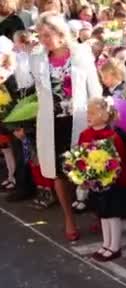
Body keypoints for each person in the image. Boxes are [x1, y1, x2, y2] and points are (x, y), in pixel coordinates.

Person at [31, 12, 102, 241]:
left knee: (88, 168)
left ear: (61, 34)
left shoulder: (81, 54)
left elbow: (95, 87)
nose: (44, 40)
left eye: (48, 34)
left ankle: (98, 214)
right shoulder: (38, 58)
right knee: (59, 173)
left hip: (80, 119)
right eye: (41, 35)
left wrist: (98, 116)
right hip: (52, 123)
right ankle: (69, 219)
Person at [81, 97, 126, 262]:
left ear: (104, 116)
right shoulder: (85, 134)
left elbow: (119, 160)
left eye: (92, 113)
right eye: (88, 112)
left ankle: (115, 246)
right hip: (96, 182)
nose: (88, 115)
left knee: (113, 213)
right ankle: (106, 243)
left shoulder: (112, 135)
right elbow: (80, 157)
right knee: (103, 213)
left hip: (112, 183)